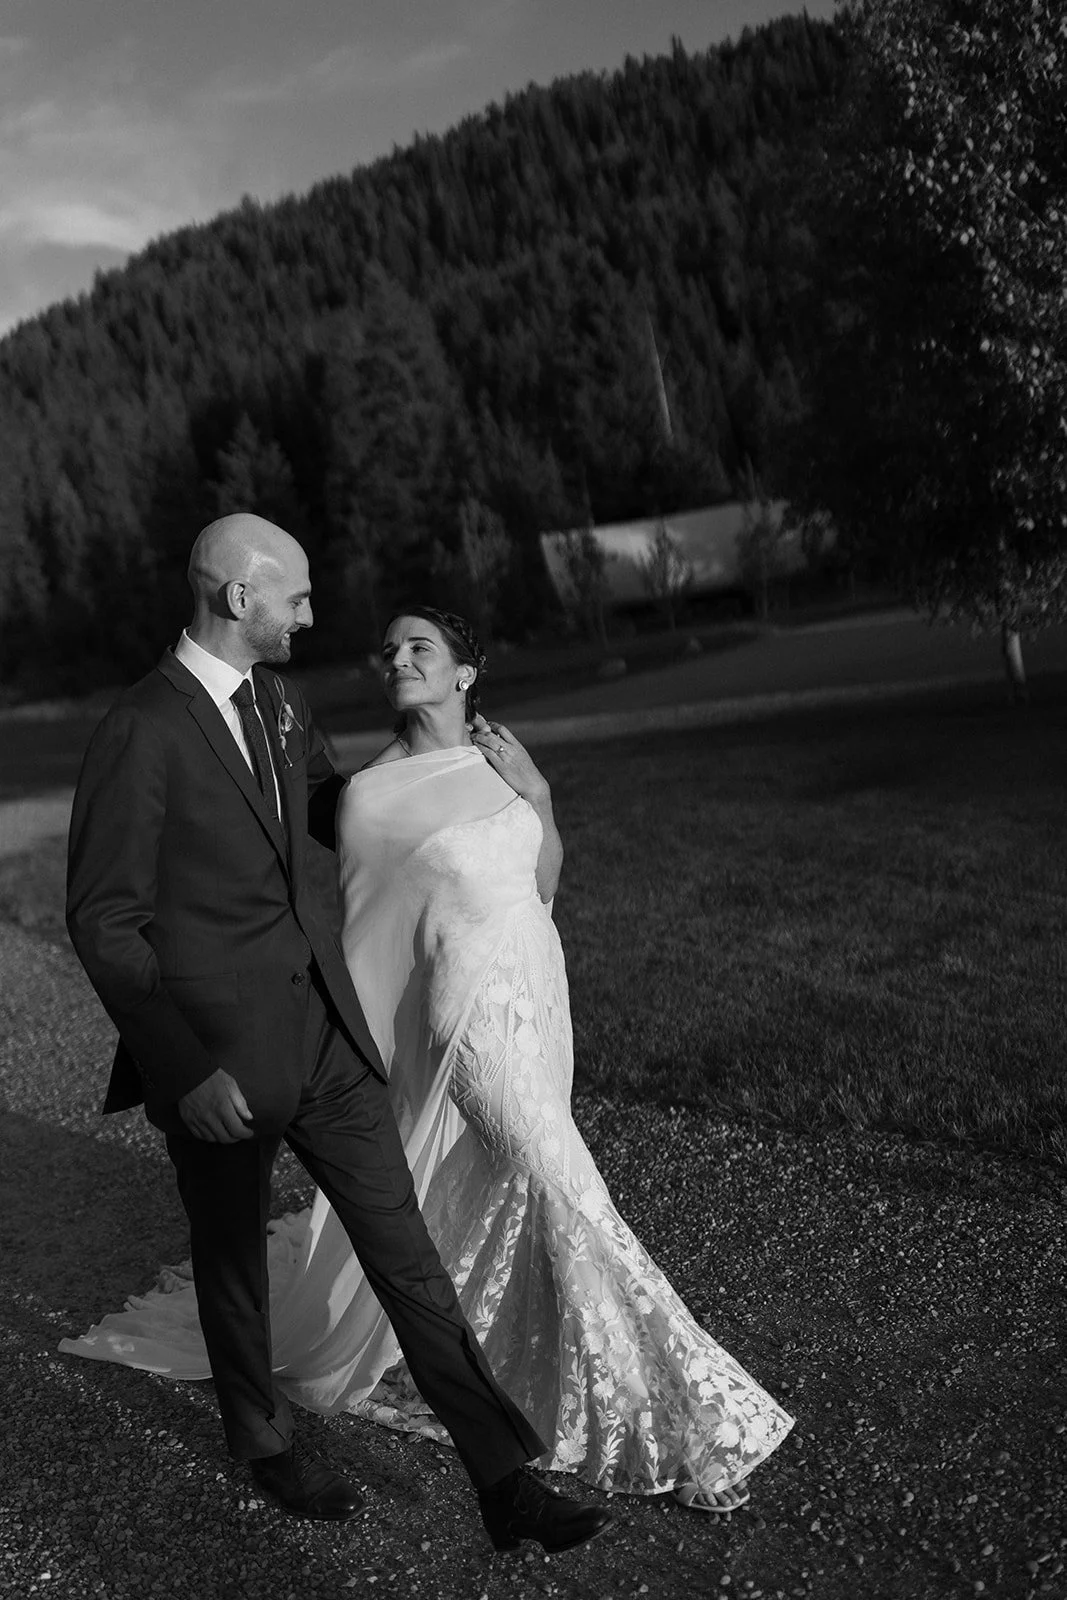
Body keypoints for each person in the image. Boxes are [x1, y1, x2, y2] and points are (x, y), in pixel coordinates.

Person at [64, 595, 793, 1516]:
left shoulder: (476, 755)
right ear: (240, 592)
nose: (393, 657)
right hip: (467, 1021)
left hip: (536, 1002)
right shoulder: (370, 792)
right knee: (560, 1183)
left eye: (419, 647)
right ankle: (665, 1397)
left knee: (504, 1198)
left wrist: (541, 799)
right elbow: (342, 909)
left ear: (466, 671)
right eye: (388, 649)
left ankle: (514, 1434)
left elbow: (539, 884)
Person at [62, 517, 613, 1556]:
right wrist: (180, 1069)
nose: (313, 616)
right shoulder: (140, 730)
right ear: (238, 599)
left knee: (404, 1253)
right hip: (218, 1059)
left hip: (325, 1037)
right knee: (230, 1257)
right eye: (296, 597)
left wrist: (467, 776)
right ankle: (260, 1441)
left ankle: (502, 1480)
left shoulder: (278, 703)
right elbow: (104, 921)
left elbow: (345, 812)